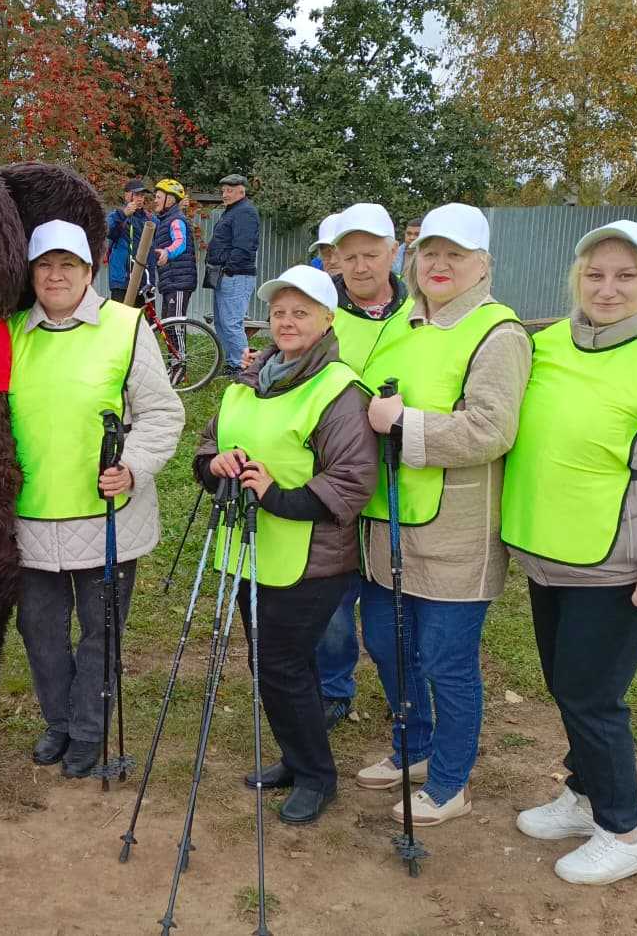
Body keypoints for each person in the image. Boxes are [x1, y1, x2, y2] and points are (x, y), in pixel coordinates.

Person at [359, 203, 531, 826]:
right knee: (385, 643)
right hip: (389, 521)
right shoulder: (402, 323)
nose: (439, 264)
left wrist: (405, 424)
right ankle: (416, 748)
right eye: (430, 252)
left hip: (457, 532)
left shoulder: (498, 332)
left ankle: (452, 779)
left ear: (482, 265)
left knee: (445, 661)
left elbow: (492, 428)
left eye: (455, 255)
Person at [502, 220, 637, 884]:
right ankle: (584, 794)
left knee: (592, 696)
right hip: (550, 553)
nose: (608, 287)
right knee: (568, 687)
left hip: (620, 565)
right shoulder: (548, 345)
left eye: (626, 275)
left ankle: (624, 830)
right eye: (595, 274)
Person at [194, 265, 377, 824]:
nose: (287, 321)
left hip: (311, 562)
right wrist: (214, 464)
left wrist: (276, 494)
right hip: (252, 552)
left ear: (327, 320)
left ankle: (318, 778)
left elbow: (352, 481)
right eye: (279, 312)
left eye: (301, 312)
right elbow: (207, 446)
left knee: (284, 666)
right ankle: (297, 761)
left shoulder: (340, 389)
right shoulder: (251, 378)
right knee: (270, 664)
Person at [10, 219, 184, 778]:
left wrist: (131, 466)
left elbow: (162, 412)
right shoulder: (11, 333)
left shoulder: (127, 327)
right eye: (45, 266)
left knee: (99, 632)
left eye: (68, 266)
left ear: (89, 271)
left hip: (107, 513)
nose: (56, 276)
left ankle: (87, 730)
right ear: (31, 274)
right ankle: (58, 722)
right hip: (29, 516)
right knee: (39, 632)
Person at [314, 203, 414, 729]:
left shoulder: (422, 312)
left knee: (393, 610)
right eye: (348, 257)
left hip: (404, 479)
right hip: (335, 478)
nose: (360, 266)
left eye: (371, 254)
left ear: (393, 252)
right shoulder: (321, 314)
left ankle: (410, 699)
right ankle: (333, 688)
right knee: (332, 601)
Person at [207, 174, 260, 376]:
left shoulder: (245, 212)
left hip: (236, 275)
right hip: (226, 275)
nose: (225, 194)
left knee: (231, 323)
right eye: (223, 191)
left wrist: (228, 268)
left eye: (229, 190)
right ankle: (233, 363)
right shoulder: (233, 211)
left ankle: (244, 367)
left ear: (241, 191)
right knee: (222, 322)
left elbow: (244, 247)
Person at [151, 178, 197, 387]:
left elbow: (180, 242)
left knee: (176, 325)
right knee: (168, 325)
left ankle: (180, 368)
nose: (155, 200)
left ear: (170, 200)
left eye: (159, 197)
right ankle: (174, 365)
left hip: (179, 281)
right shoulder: (163, 220)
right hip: (170, 281)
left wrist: (167, 253)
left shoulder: (176, 220)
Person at [106, 178, 153, 302]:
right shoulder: (117, 215)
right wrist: (123, 214)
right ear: (126, 195)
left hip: (143, 281)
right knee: (121, 320)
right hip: (122, 280)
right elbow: (107, 230)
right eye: (136, 194)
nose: (140, 199)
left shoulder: (149, 219)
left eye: (142, 195)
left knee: (145, 321)